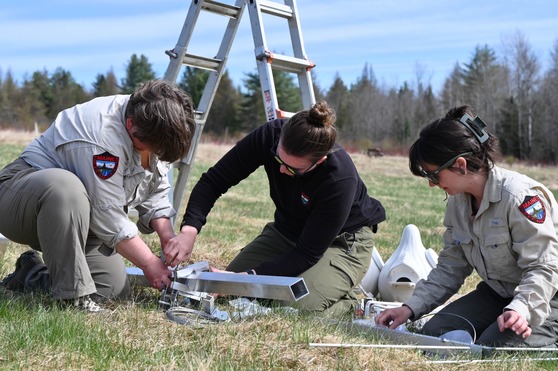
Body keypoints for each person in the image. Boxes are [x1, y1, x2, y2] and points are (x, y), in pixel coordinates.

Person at [164, 100, 386, 315]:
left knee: (294, 307)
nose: (282, 171)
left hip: (341, 242)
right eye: (278, 160)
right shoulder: (269, 135)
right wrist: (189, 230)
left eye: (293, 169)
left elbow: (306, 254)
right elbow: (213, 182)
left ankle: (351, 304)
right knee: (232, 293)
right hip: (288, 231)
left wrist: (245, 278)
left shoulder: (339, 179)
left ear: (318, 162)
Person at [0, 80, 196, 312]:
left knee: (110, 290)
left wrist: (167, 236)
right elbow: (109, 218)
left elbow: (155, 188)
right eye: (150, 147)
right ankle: (73, 299)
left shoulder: (155, 126)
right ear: (130, 124)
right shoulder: (103, 137)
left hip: (85, 217)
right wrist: (150, 263)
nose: (153, 154)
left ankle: (30, 272)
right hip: (23, 198)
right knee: (65, 188)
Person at [375, 106, 558, 348]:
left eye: (433, 176)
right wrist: (410, 308)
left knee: (493, 348)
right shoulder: (457, 204)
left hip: (546, 297)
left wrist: (521, 309)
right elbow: (450, 268)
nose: (432, 185)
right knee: (434, 333)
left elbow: (543, 267)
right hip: (499, 294)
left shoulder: (518, 198)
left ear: (460, 165)